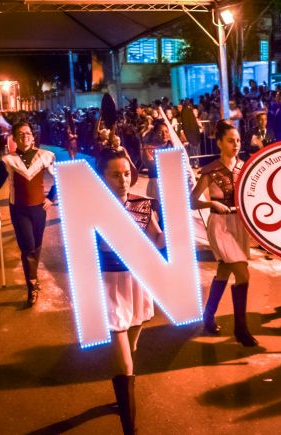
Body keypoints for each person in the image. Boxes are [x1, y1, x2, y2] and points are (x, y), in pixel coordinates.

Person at [96, 147, 165, 435]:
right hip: (109, 284)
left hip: (137, 282)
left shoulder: (142, 204)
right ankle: (129, 426)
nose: (123, 180)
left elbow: (157, 241)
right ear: (102, 177)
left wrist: (174, 228)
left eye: (126, 174)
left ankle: (122, 393)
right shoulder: (93, 209)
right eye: (115, 175)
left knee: (131, 346)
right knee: (125, 360)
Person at [190, 121, 258, 347]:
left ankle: (208, 316)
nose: (236, 144)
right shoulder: (210, 170)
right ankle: (241, 329)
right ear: (219, 143)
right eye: (230, 140)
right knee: (243, 273)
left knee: (225, 270)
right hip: (220, 225)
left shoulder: (245, 168)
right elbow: (192, 201)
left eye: (238, 140)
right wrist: (211, 204)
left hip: (239, 223)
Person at [0, 121, 57, 307]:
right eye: (21, 133)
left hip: (39, 210)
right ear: (14, 138)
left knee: (37, 247)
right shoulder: (7, 161)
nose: (25, 136)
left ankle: (33, 276)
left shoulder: (46, 156)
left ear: (33, 137)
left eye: (28, 133)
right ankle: (32, 286)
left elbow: (60, 177)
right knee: (28, 248)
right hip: (19, 210)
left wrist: (51, 197)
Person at [141, 120, 173, 202]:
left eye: (166, 132)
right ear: (154, 134)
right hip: (156, 184)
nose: (164, 134)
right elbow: (151, 165)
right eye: (160, 132)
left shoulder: (173, 145)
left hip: (172, 182)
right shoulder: (148, 147)